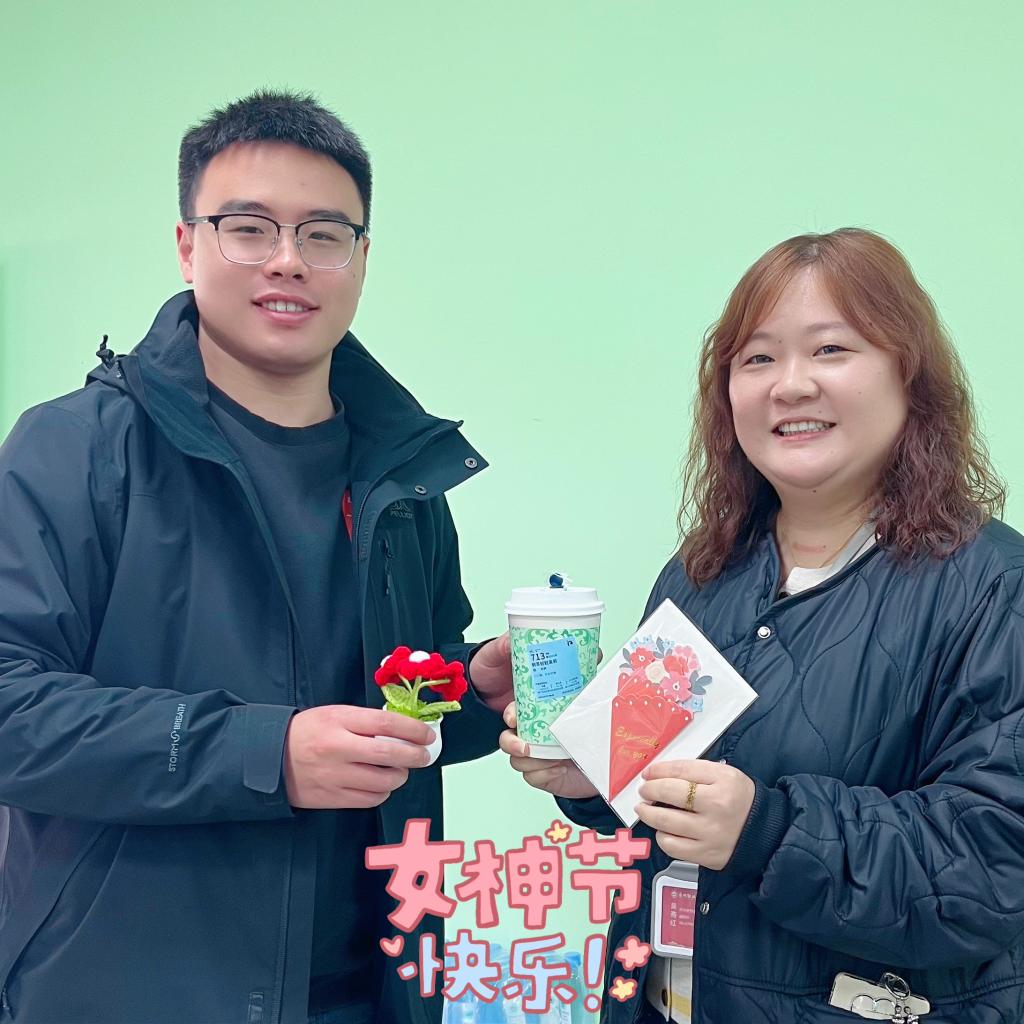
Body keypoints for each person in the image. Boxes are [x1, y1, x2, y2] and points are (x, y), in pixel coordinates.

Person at [0, 90, 514, 1024]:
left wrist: (471, 688)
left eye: (324, 234)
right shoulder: (76, 448)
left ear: (362, 258)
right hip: (124, 991)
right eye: (248, 229)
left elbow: (396, 696)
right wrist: (263, 753)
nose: (288, 260)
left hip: (369, 992)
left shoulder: (403, 476)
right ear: (187, 245)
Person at [501, 228, 1024, 1023]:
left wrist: (770, 832)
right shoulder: (703, 571)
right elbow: (662, 783)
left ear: (908, 372)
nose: (790, 385)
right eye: (757, 359)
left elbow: (994, 866)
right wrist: (598, 779)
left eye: (831, 350)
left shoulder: (995, 587)